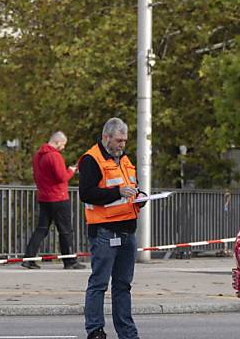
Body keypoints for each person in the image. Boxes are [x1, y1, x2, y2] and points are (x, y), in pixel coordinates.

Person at [80, 118, 145, 339]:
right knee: (99, 284)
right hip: (105, 232)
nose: (122, 145)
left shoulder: (125, 159)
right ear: (106, 137)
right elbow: (86, 194)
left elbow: (133, 188)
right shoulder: (91, 160)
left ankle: (127, 333)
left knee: (123, 286)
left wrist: (141, 197)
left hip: (128, 231)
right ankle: (95, 330)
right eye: (119, 140)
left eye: (125, 141)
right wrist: (118, 192)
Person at [23, 131, 84, 269]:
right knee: (65, 230)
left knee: (42, 228)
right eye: (63, 145)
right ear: (58, 142)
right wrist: (71, 170)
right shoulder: (55, 156)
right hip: (59, 197)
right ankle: (69, 261)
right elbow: (62, 177)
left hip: (44, 197)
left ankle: (29, 258)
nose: (63, 148)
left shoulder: (38, 155)